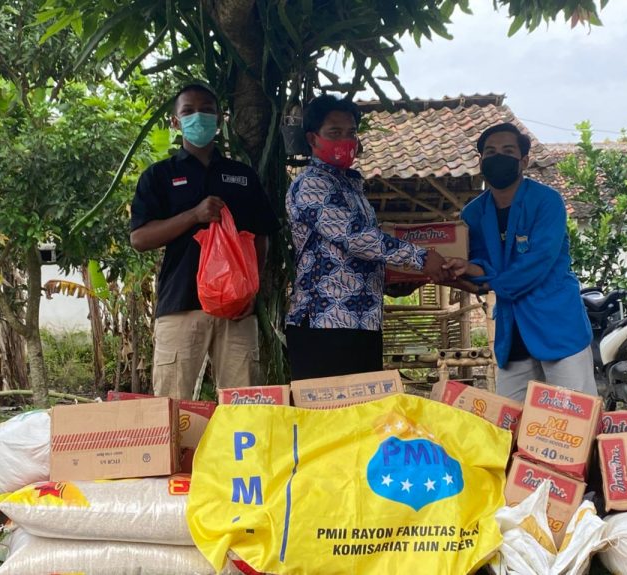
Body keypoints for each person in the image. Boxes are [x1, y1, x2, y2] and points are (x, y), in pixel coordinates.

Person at [130, 83, 279, 399]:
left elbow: (262, 235)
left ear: (220, 119)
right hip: (181, 304)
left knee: (245, 404)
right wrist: (193, 215)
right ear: (175, 122)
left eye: (207, 110)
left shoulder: (242, 176)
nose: (198, 117)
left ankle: (239, 451)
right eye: (188, 111)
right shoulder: (159, 176)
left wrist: (251, 289)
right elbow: (140, 238)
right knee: (173, 405)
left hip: (236, 309)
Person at [285, 95, 450, 380]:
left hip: (363, 321)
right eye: (334, 133)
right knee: (328, 418)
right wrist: (421, 258)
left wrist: (395, 281)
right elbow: (357, 238)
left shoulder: (351, 187)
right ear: (313, 138)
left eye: (351, 133)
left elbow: (353, 257)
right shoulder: (312, 184)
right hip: (324, 323)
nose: (345, 140)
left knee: (362, 418)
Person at [443, 122, 597, 402]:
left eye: (507, 150)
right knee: (508, 421)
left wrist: (486, 278)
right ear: (481, 161)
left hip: (557, 324)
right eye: (490, 152)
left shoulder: (547, 202)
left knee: (575, 418)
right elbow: (478, 263)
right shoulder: (473, 214)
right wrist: (464, 268)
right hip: (512, 332)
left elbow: (539, 262)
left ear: (523, 161)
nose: (497, 156)